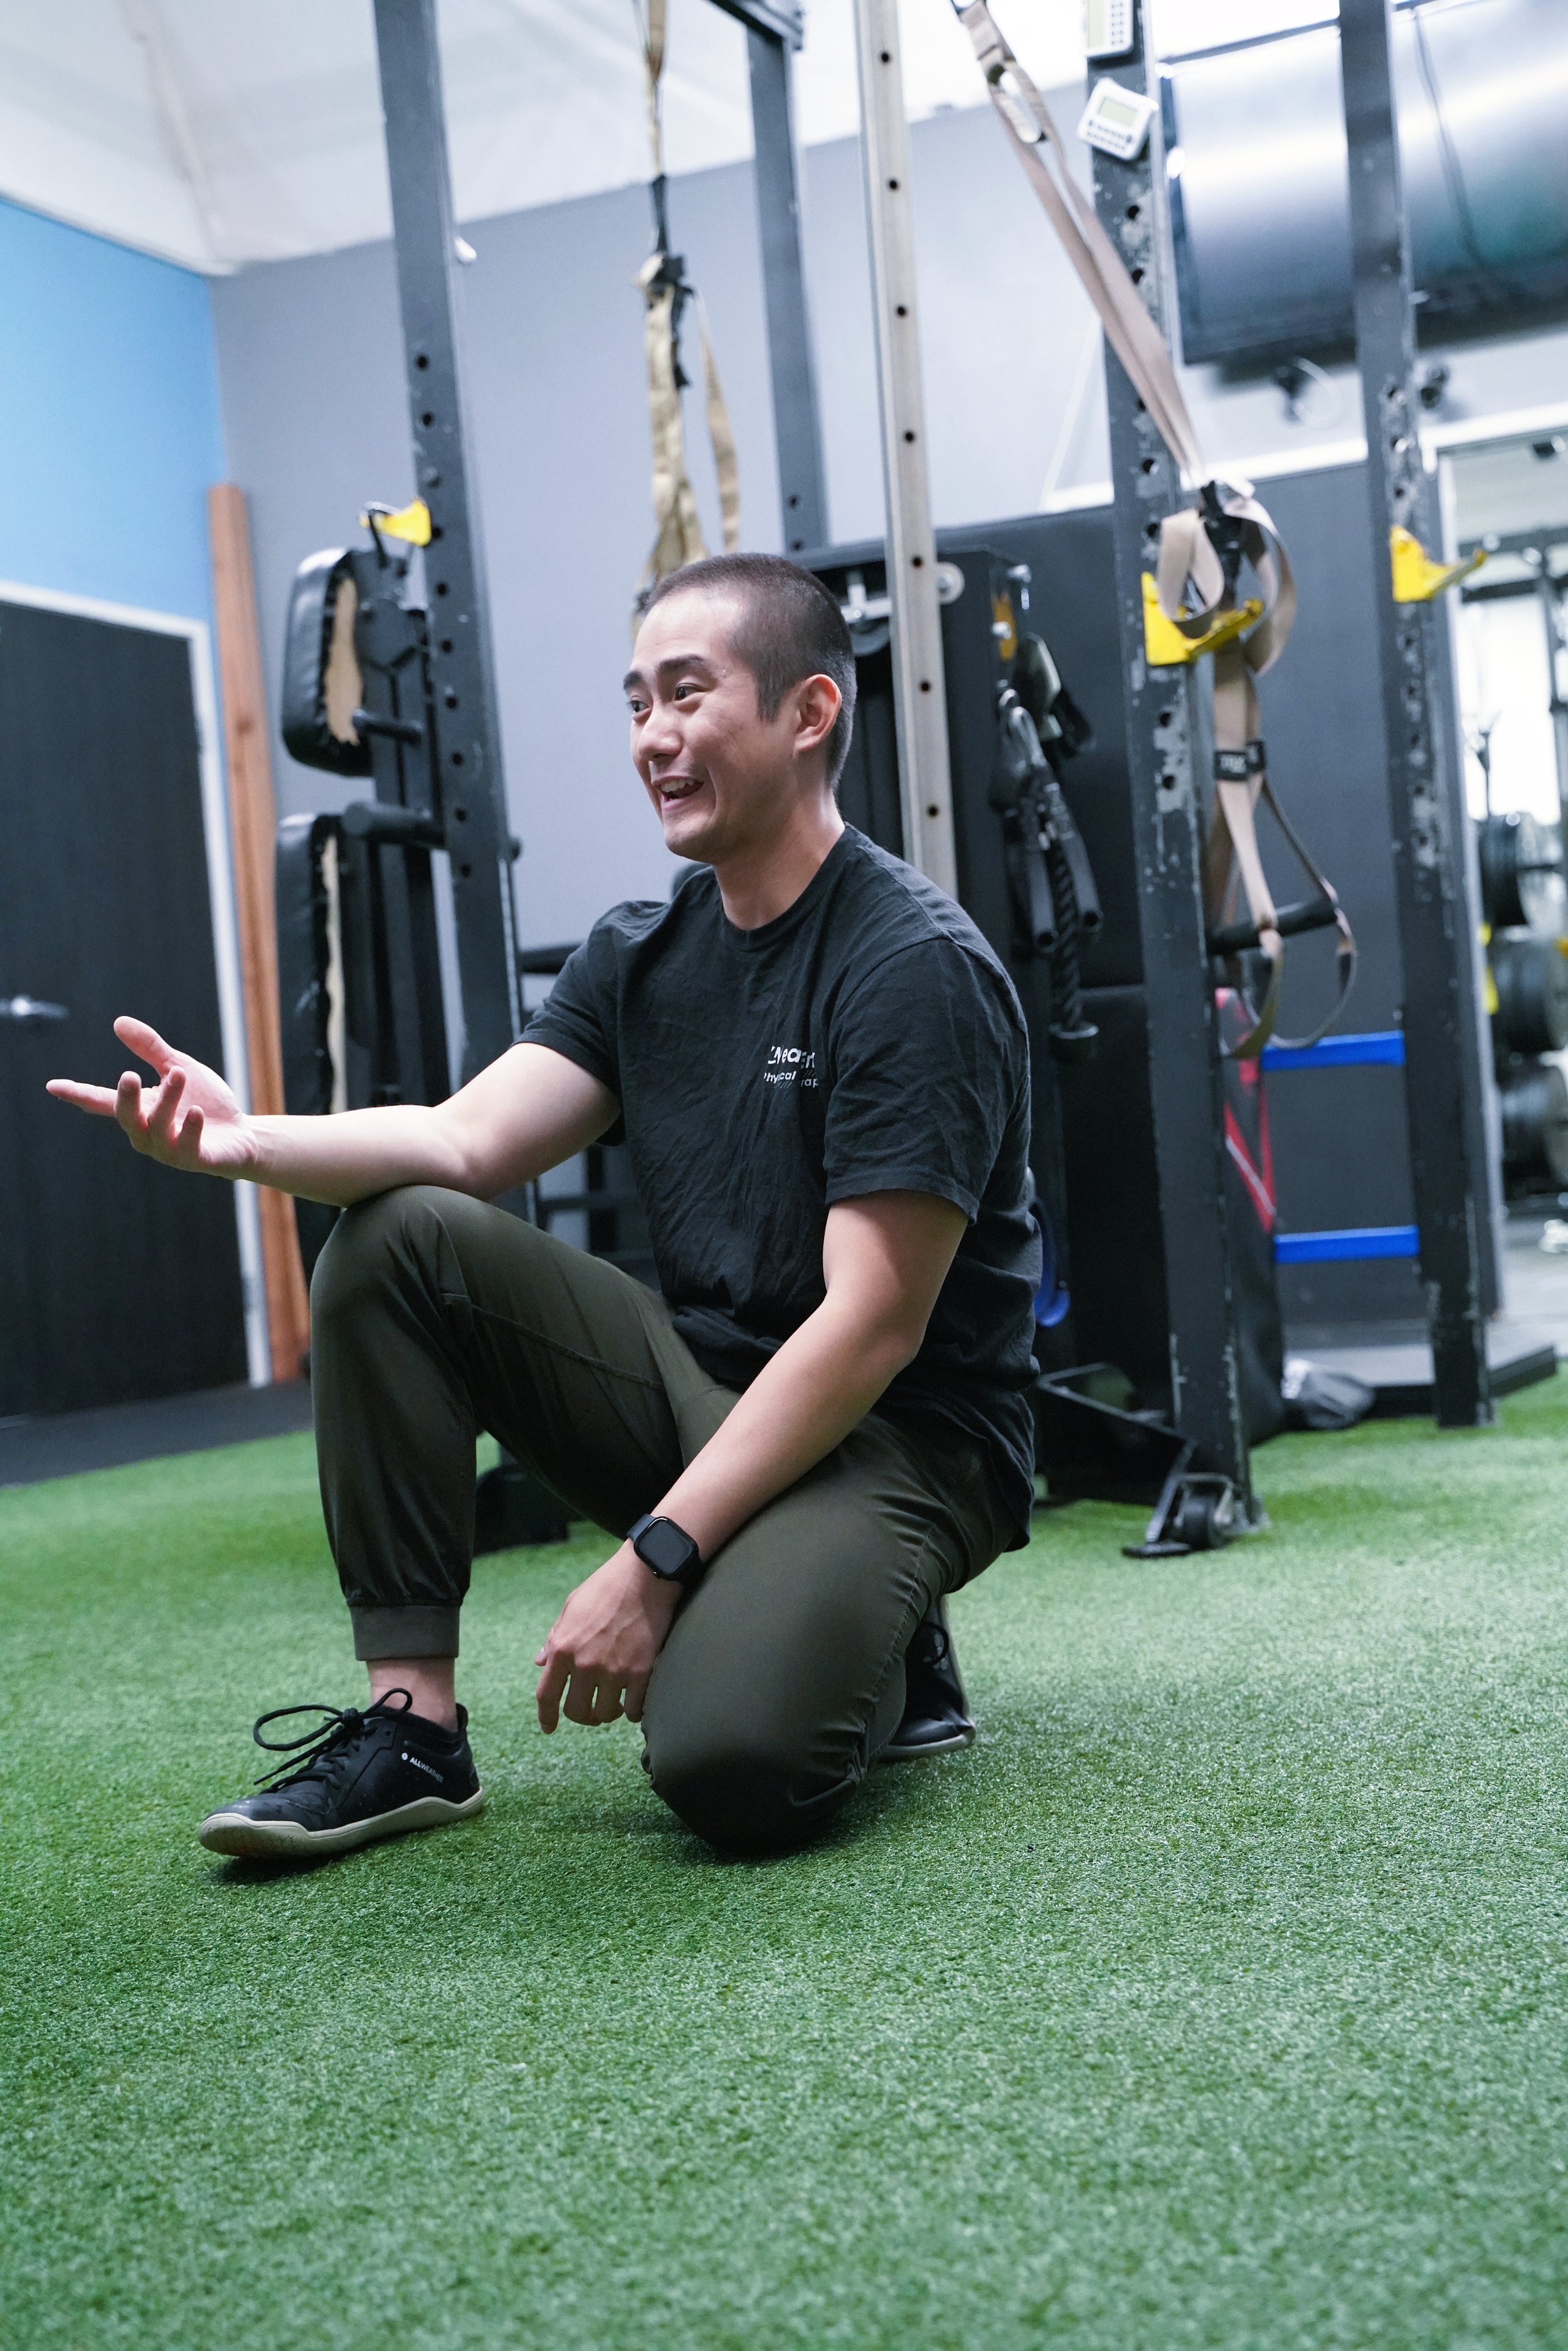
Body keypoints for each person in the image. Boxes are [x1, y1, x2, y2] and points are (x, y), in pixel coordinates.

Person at [50, 551, 1041, 1860]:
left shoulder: (908, 966)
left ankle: (884, 1626)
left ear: (808, 714)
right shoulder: (641, 953)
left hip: (899, 1439)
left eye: (687, 695)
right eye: (636, 702)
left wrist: (653, 1561)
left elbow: (870, 1325)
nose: (653, 737)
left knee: (733, 1765)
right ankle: (412, 1730)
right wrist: (240, 1143)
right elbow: (462, 1139)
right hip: (709, 1385)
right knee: (398, 1234)